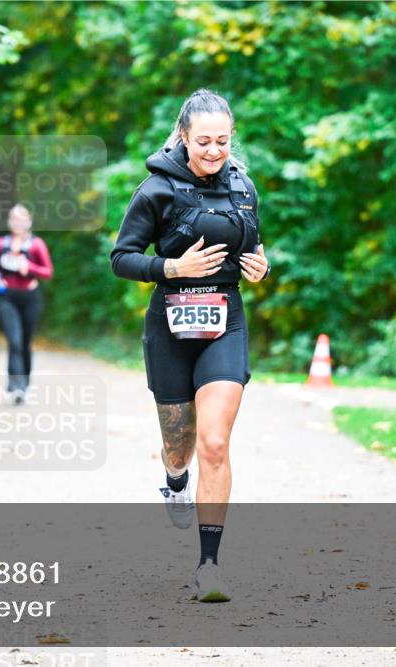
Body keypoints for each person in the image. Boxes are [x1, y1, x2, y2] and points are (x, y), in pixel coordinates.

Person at [110, 89, 271, 602]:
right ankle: (174, 477)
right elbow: (121, 258)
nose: (214, 150)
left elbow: (253, 245)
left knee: (215, 443)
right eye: (204, 141)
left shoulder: (243, 186)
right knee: (180, 447)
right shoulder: (155, 190)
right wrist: (173, 267)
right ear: (183, 136)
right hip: (170, 327)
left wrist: (260, 266)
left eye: (223, 141)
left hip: (226, 321)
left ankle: (209, 567)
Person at [0, 204, 54, 404]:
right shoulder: (0, 244)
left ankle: (25, 382)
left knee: (25, 343)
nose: (18, 222)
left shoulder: (36, 245)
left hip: (30, 297)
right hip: (7, 297)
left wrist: (30, 267)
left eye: (22, 219)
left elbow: (48, 272)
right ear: (9, 222)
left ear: (29, 222)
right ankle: (17, 386)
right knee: (14, 341)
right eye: (14, 218)